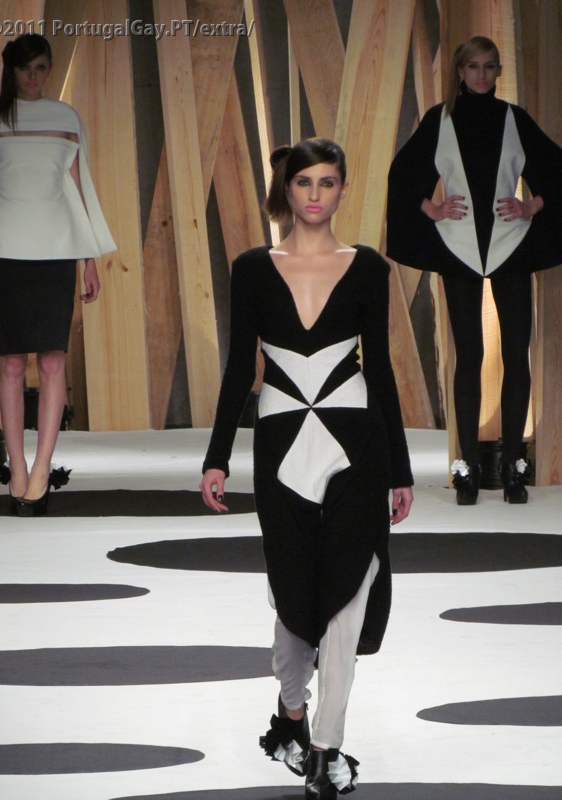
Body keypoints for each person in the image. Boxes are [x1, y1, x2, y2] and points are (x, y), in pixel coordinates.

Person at [200, 138, 413, 799]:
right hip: (282, 447)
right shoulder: (252, 268)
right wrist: (216, 457)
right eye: (304, 183)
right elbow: (240, 367)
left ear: (343, 189)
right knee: (294, 601)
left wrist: (400, 469)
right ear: (286, 190)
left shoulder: (369, 268)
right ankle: (291, 712)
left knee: (348, 596)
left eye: (327, 182)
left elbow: (380, 369)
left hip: (357, 448)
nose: (315, 195)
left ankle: (326, 747)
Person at [387, 35, 562, 505]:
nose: (481, 75)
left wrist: (532, 205)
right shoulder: (439, 119)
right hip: (458, 247)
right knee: (469, 355)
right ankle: (467, 469)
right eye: (473, 67)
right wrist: (432, 208)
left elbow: (556, 169)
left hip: (511, 246)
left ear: (498, 71)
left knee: (516, 354)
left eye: (488, 66)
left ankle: (513, 469)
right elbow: (403, 175)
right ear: (460, 71)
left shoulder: (514, 118)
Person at [0, 34, 115, 516]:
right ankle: (17, 465)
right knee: (11, 362)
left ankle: (42, 468)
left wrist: (89, 257)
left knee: (52, 361)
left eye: (41, 67)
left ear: (49, 70)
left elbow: (80, 187)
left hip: (57, 251)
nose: (33, 77)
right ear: (11, 70)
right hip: (6, 252)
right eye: (25, 68)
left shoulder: (66, 118)